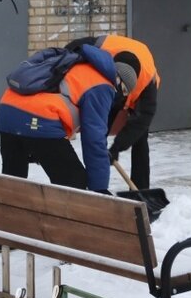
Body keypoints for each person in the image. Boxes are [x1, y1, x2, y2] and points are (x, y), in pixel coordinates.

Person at [0, 43, 138, 193]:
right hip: (39, 120)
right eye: (124, 91)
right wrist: (100, 189)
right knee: (74, 185)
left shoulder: (77, 65)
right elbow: (94, 138)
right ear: (119, 80)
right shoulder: (104, 85)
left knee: (13, 183)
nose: (120, 96)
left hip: (6, 112)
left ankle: (7, 214)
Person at [66, 34, 161, 189]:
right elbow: (72, 50)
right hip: (110, 77)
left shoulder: (148, 85)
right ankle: (94, 175)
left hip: (135, 80)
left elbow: (140, 123)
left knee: (140, 138)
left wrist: (117, 147)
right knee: (97, 133)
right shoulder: (99, 51)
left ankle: (140, 188)